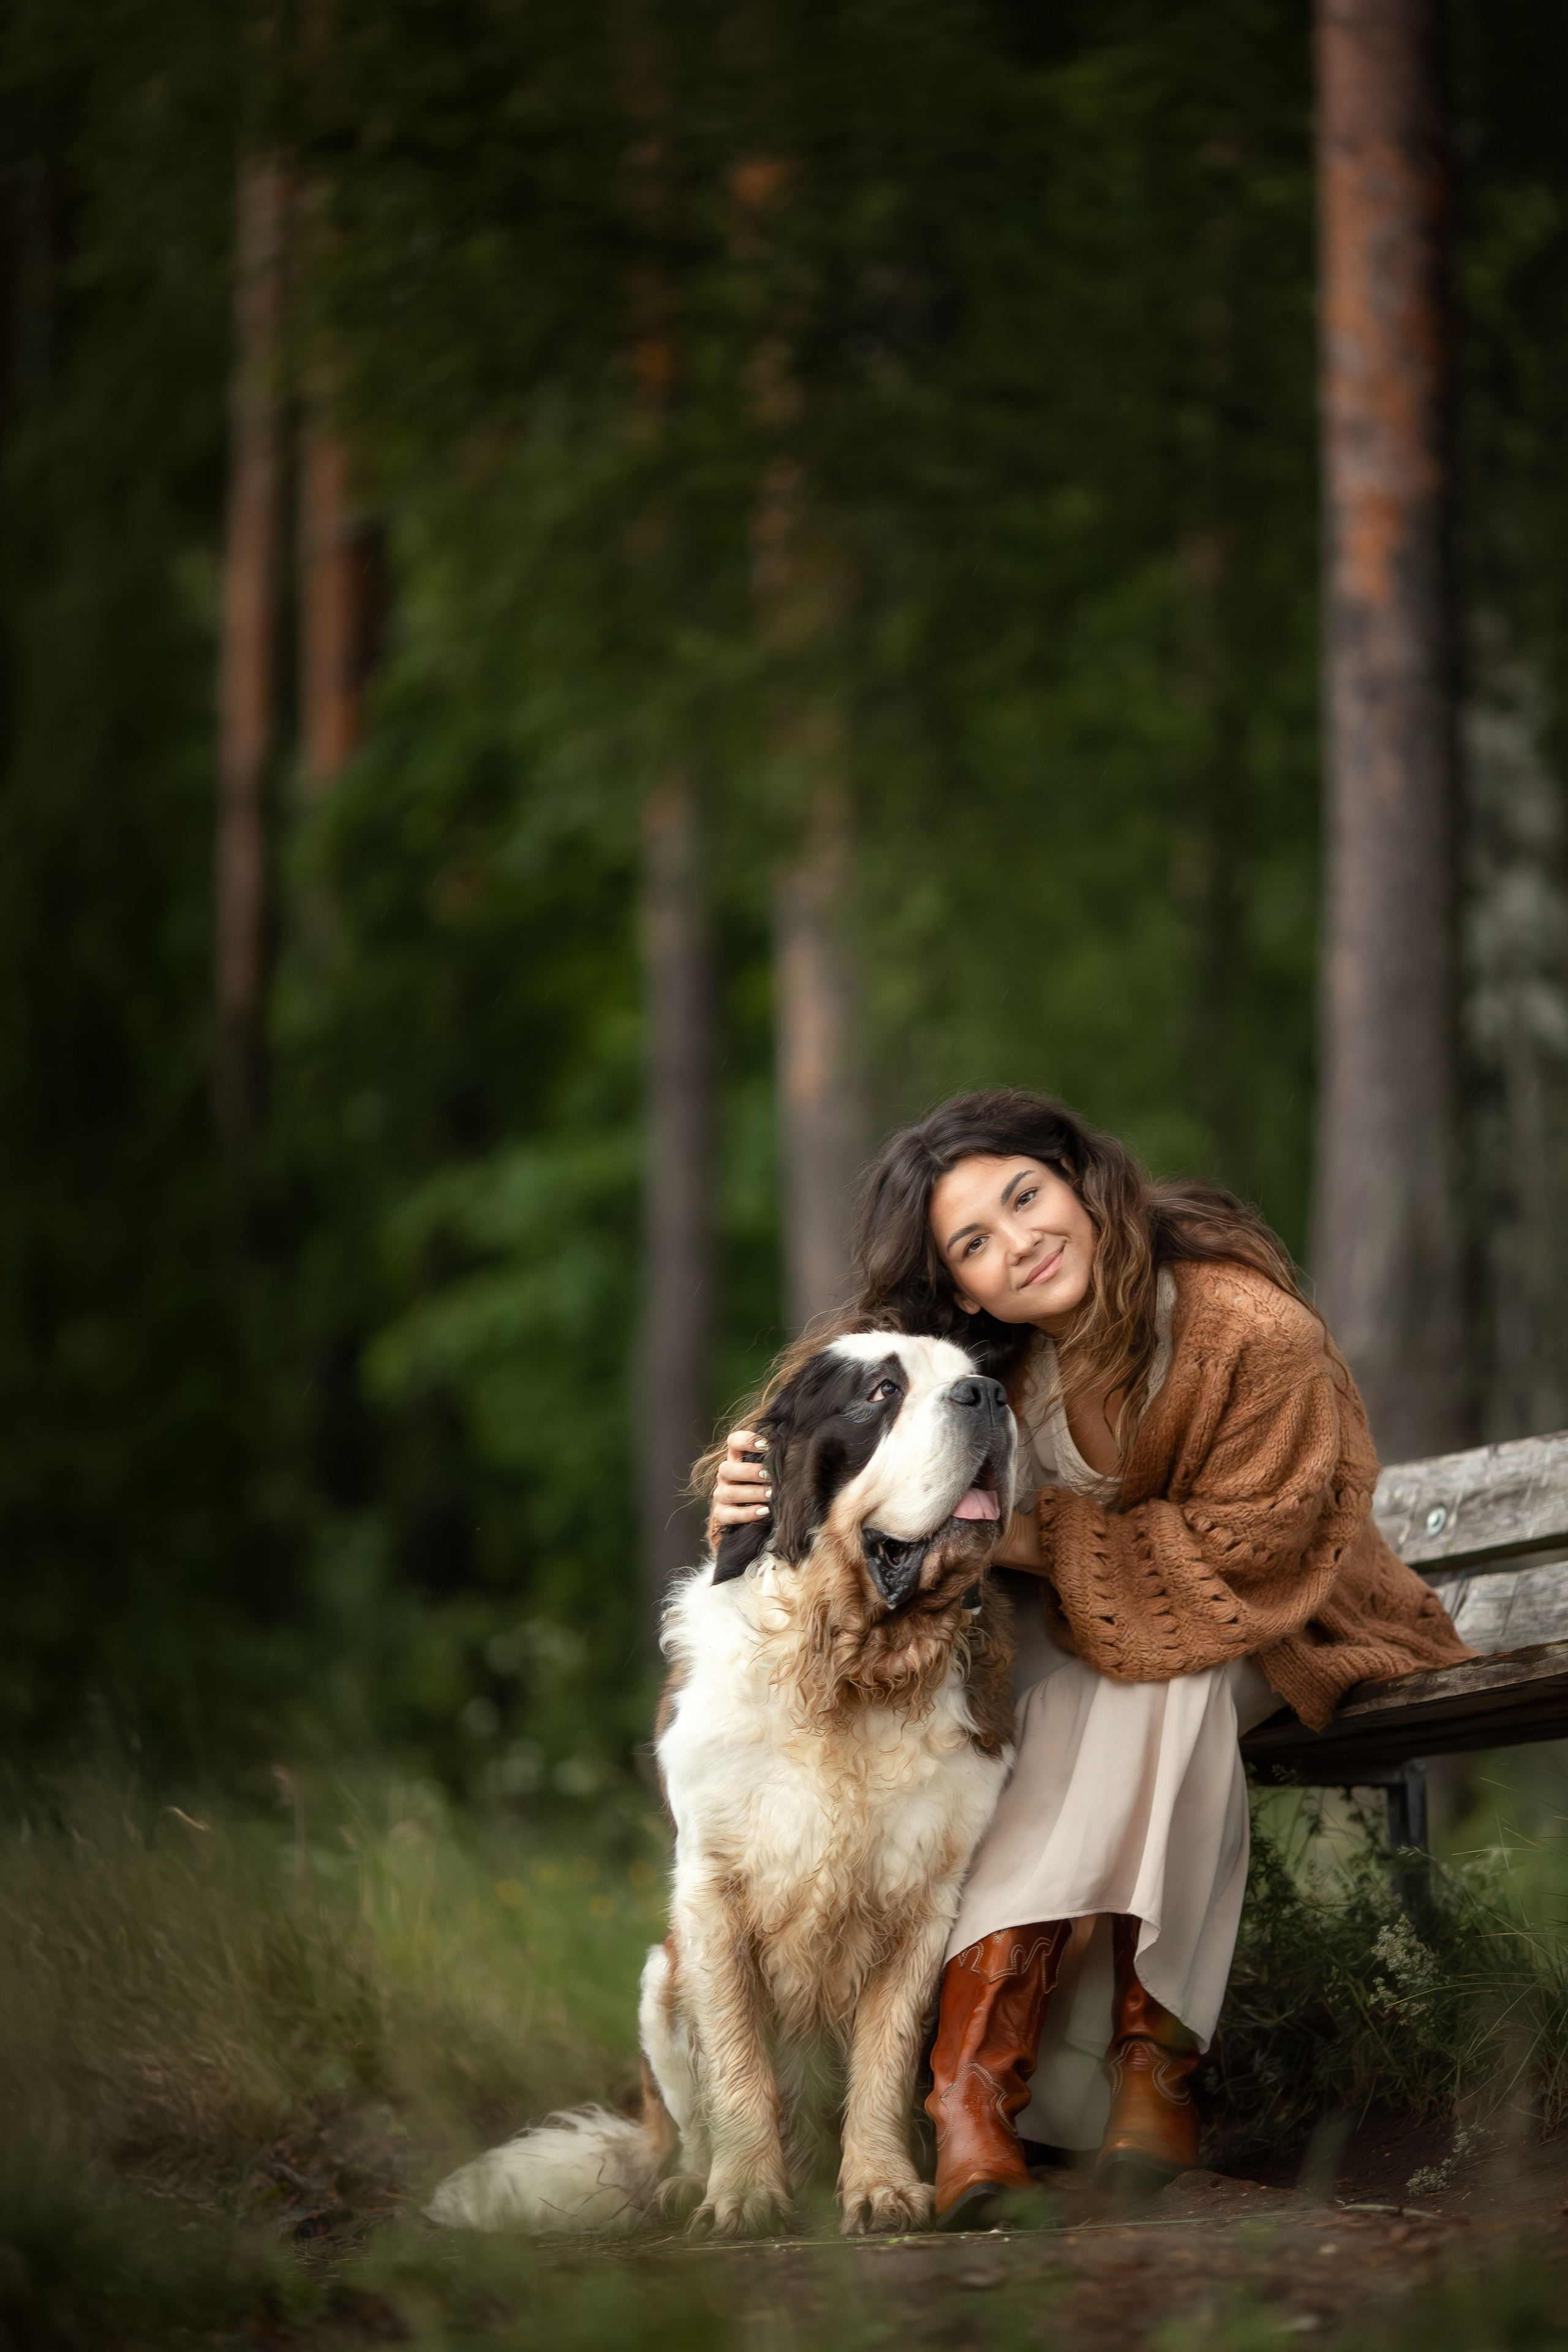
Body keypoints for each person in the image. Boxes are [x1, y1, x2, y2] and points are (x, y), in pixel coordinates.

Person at [707, 1089, 1470, 2227]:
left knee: (1168, 1683)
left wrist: (1025, 1533)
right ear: (957, 1284)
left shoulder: (1248, 1330)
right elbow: (806, 1448)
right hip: (1101, 1630)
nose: (1019, 1245)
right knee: (1077, 1704)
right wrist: (742, 1482)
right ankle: (1046, 2093)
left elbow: (1250, 1559)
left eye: (1027, 1197)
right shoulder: (961, 1360)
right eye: (975, 1243)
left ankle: (1012, 2089)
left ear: (1078, 1178)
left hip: (1288, 1613)